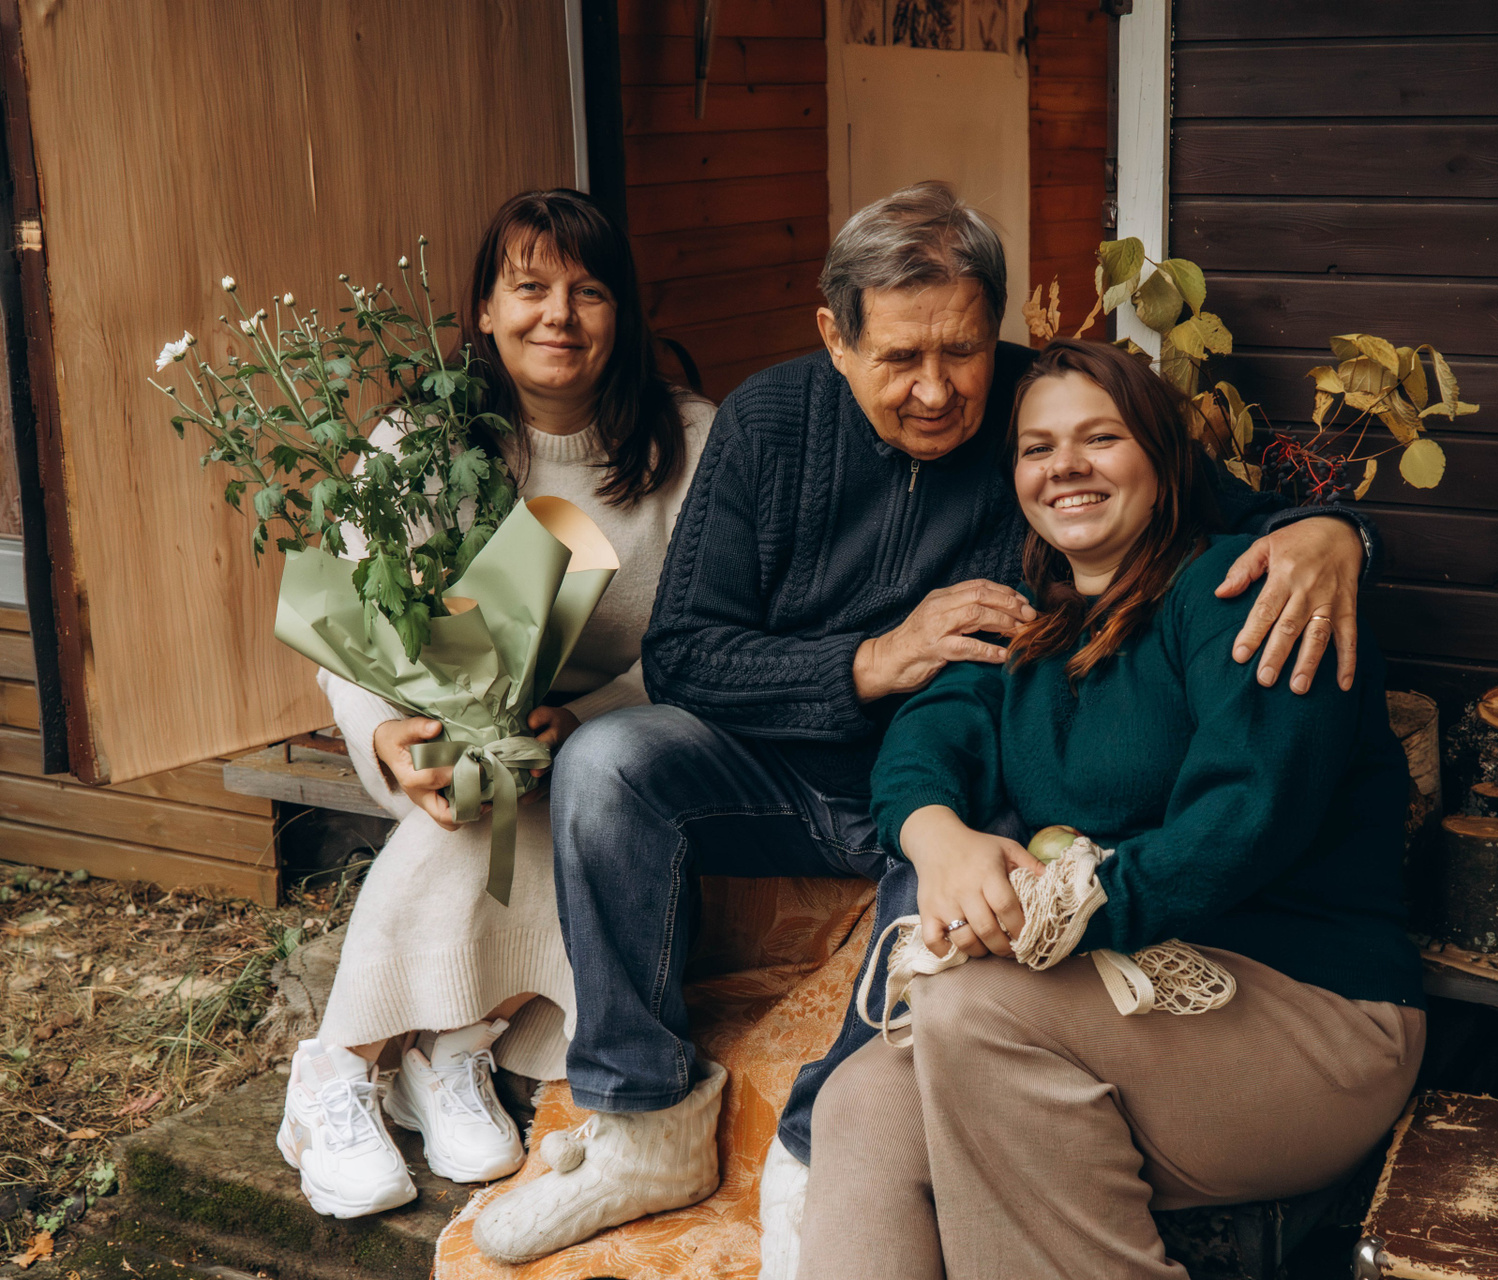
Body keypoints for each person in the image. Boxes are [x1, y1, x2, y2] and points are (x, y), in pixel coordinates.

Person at [469, 181, 1381, 1263]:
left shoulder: (1042, 416)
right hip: (774, 772)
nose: (938, 389)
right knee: (609, 760)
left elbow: (1210, 501)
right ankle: (642, 1119)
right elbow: (683, 654)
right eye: (900, 358)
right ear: (835, 338)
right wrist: (868, 661)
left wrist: (1336, 533)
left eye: (963, 349)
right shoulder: (767, 421)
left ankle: (813, 1153)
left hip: (960, 783)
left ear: (996, 327)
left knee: (963, 852)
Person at [798, 338, 1426, 1280]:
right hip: (1124, 993)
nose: (1065, 468)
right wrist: (941, 841)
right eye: (1038, 448)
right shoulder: (1031, 616)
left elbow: (1244, 821)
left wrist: (1054, 912)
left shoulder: (1243, 592)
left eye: (1100, 438)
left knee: (970, 1009)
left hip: (1312, 1014)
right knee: (861, 1101)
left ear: (1164, 460)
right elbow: (923, 741)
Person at [276, 189, 714, 1220]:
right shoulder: (422, 442)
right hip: (445, 742)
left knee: (587, 783)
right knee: (488, 785)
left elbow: (712, 634)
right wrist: (387, 737)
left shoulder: (692, 443)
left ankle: (427, 1047)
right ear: (484, 309)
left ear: (623, 311)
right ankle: (347, 1073)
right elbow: (354, 625)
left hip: (627, 731)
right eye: (530, 287)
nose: (558, 314)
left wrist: (597, 712)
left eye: (589, 290)